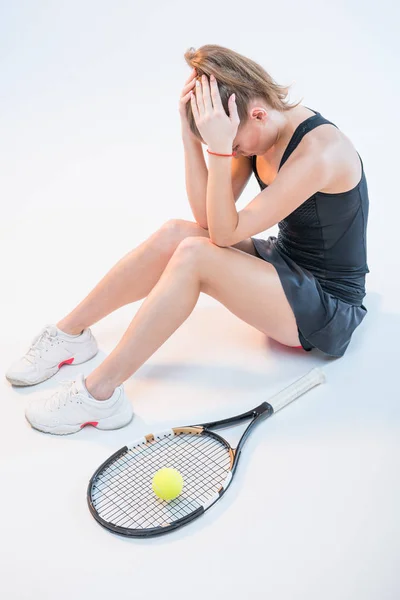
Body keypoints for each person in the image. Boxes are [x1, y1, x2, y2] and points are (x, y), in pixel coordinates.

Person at [5, 44, 369, 435]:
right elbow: (208, 220)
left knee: (195, 255)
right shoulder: (255, 127)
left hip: (328, 308)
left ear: (258, 114)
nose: (234, 153)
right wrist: (191, 137)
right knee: (175, 234)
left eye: (236, 147)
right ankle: (70, 334)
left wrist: (217, 149)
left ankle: (100, 393)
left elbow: (223, 233)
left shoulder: (319, 154)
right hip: (285, 266)